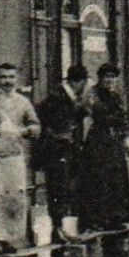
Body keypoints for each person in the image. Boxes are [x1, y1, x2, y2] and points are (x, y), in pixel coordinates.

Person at [0, 63, 42, 257]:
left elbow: (35, 124)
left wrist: (27, 130)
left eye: (11, 77)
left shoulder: (23, 102)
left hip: (14, 156)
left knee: (14, 198)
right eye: (3, 77)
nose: (7, 81)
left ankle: (11, 238)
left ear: (16, 79)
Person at [76, 63, 129, 233]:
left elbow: (123, 119)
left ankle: (116, 218)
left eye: (113, 77)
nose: (110, 80)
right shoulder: (92, 94)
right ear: (101, 78)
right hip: (98, 141)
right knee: (97, 179)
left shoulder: (116, 96)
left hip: (114, 141)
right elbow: (83, 114)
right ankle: (95, 220)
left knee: (116, 179)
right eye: (107, 77)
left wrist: (127, 139)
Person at [37, 64, 90, 241]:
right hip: (56, 149)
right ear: (79, 82)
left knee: (65, 187)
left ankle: (60, 228)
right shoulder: (57, 97)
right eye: (84, 83)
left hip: (65, 148)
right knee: (57, 188)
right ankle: (57, 229)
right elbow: (53, 122)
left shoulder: (68, 97)